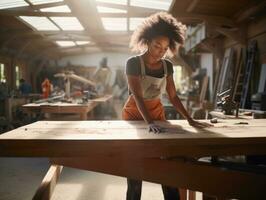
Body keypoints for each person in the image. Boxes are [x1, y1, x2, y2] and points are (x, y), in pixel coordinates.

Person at [122, 12, 212, 200]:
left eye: (164, 48)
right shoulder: (133, 63)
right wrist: (149, 123)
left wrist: (190, 119)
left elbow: (172, 96)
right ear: (147, 41)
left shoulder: (167, 66)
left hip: (156, 114)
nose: (160, 52)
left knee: (168, 168)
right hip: (134, 116)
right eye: (157, 46)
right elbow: (137, 97)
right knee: (135, 171)